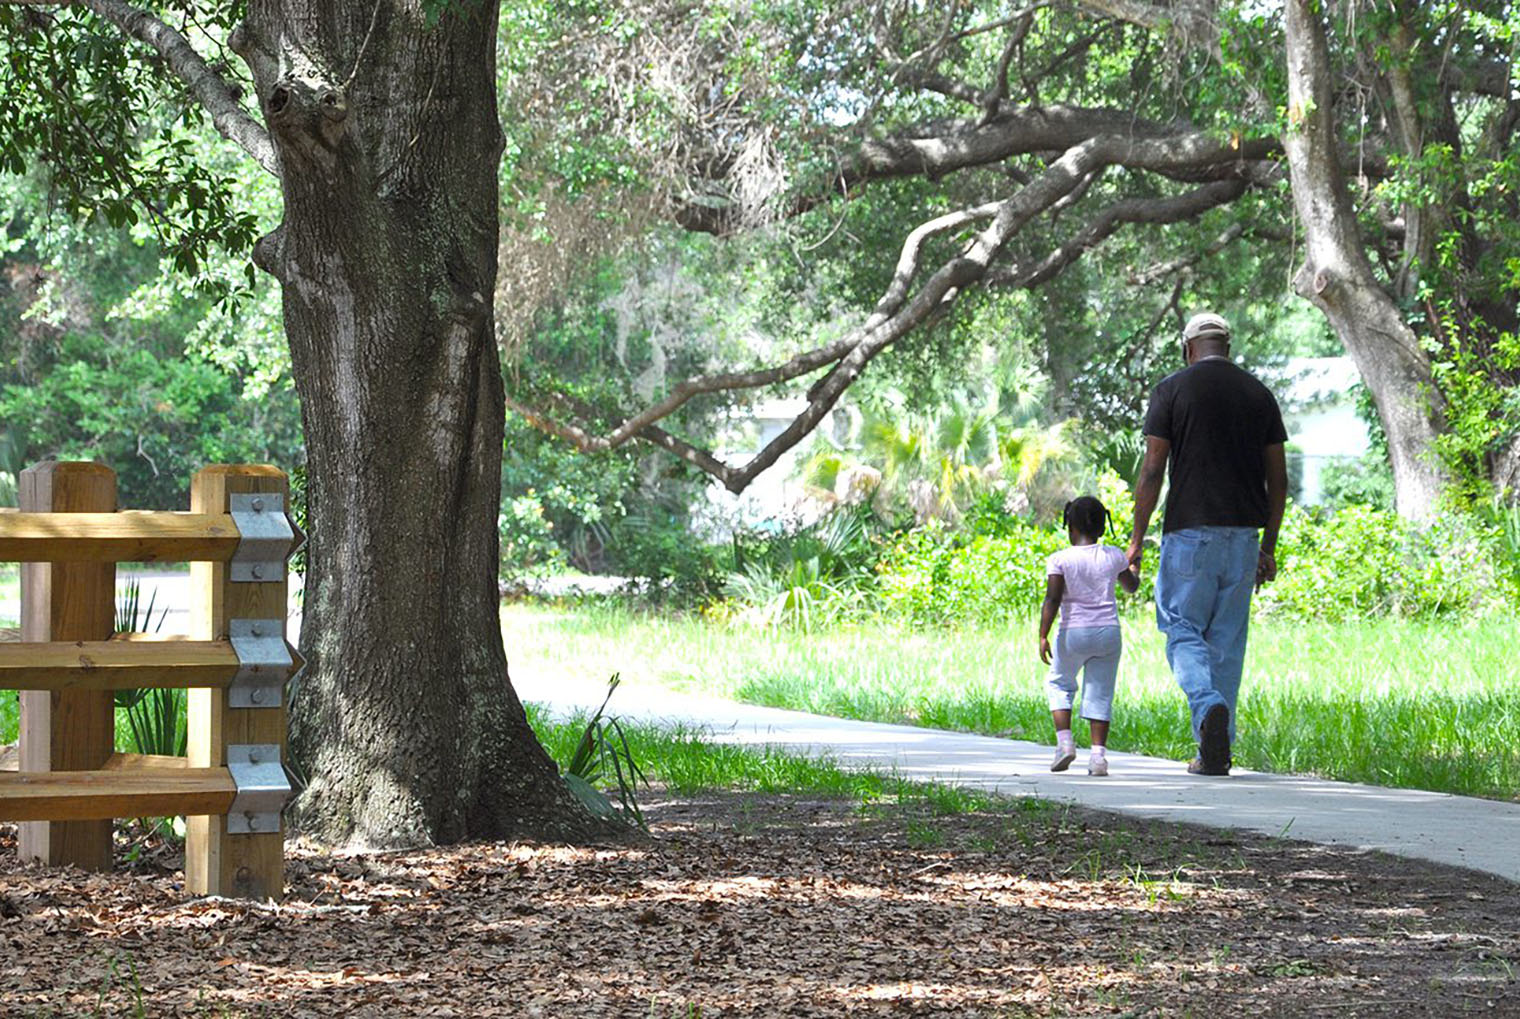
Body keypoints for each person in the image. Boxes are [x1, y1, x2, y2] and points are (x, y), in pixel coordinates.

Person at [1125, 311, 1288, 777]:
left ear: (1189, 348)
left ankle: (1206, 703)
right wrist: (1268, 546)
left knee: (1180, 629)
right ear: (1227, 348)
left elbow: (1153, 470)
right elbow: (1278, 481)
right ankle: (1216, 751)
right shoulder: (1259, 394)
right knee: (1227, 645)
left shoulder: (1171, 390)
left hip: (1189, 534)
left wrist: (1136, 540)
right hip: (1243, 537)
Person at [1038, 495, 1140, 776]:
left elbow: (1052, 599)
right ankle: (1098, 758)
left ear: (1069, 527)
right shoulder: (1114, 555)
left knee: (1060, 684)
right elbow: (1131, 586)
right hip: (1108, 632)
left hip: (1073, 633)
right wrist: (1133, 567)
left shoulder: (1059, 559)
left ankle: (1065, 744)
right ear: (1102, 527)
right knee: (1100, 691)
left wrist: (1043, 635)